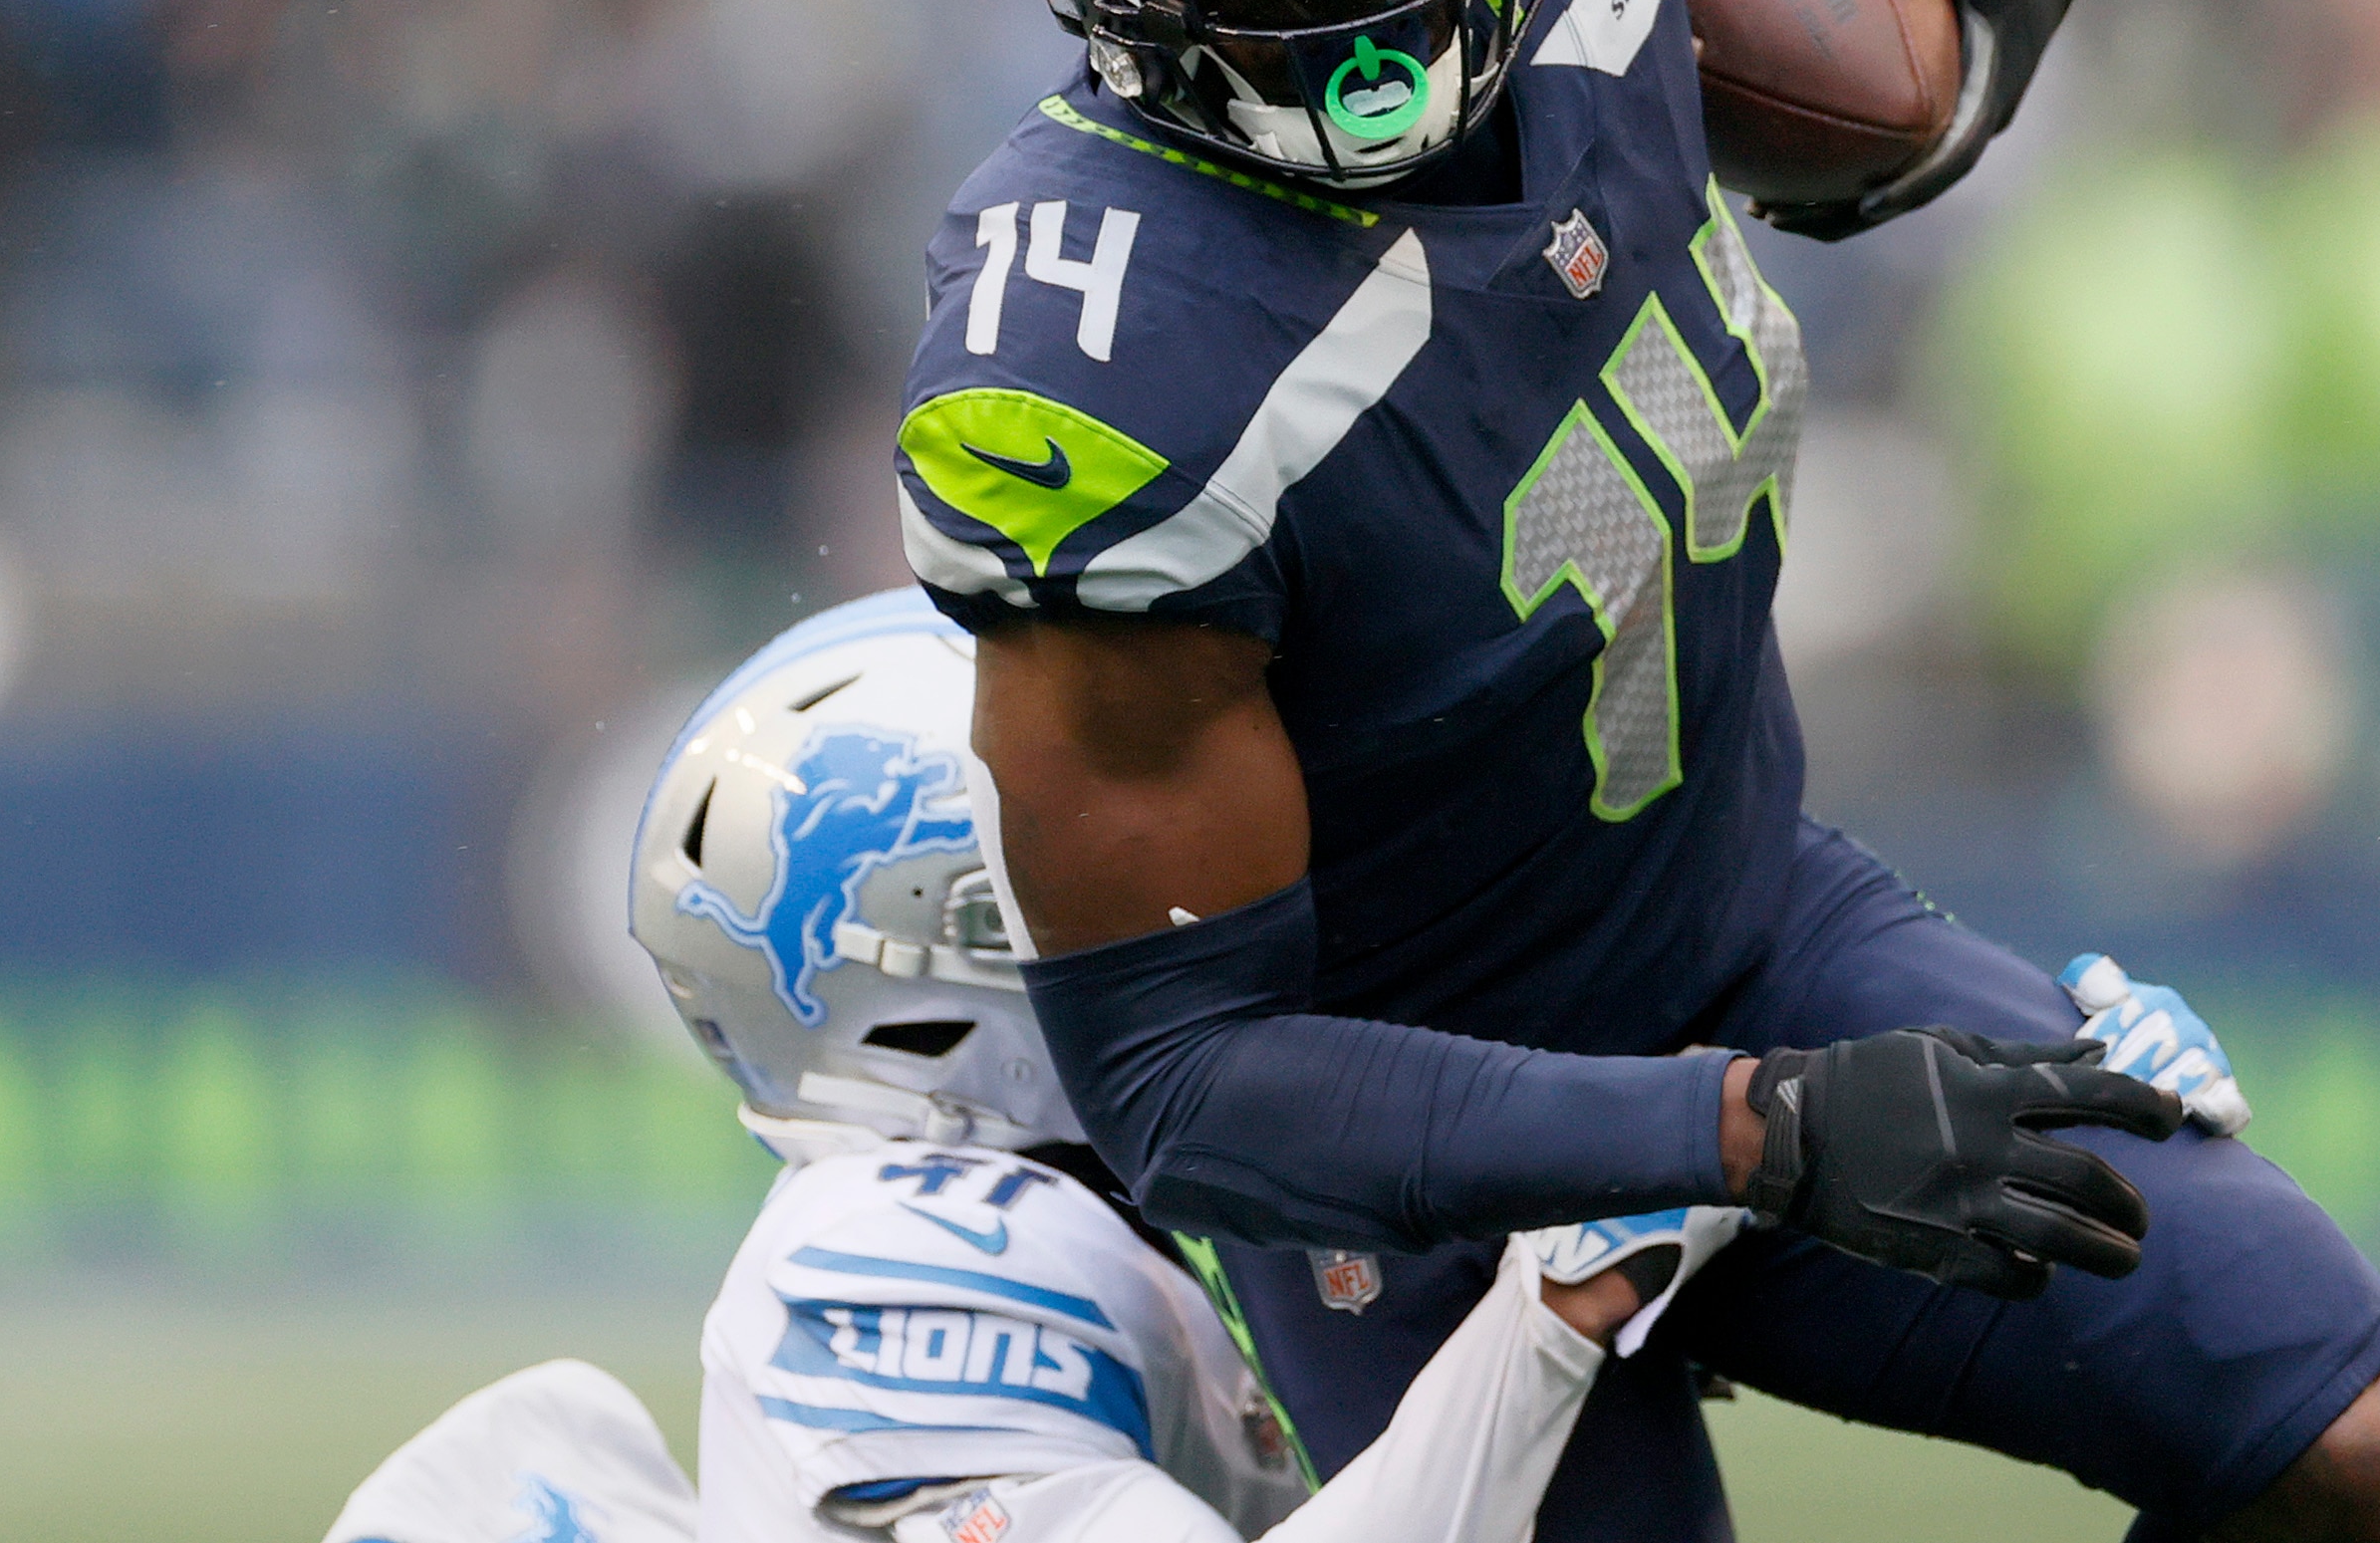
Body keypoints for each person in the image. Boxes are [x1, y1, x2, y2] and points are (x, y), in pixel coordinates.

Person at [895, 0, 2380, 1542]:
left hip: (1746, 940)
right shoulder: (1099, 364)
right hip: (1410, 1177)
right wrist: (1755, 1133)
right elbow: (1186, 1087)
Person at [323, 592, 1741, 1543]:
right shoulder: (903, 1252)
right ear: (943, 956)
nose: (1185, 882)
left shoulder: (1060, 1209)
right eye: (1086, 862)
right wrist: (1559, 1302)